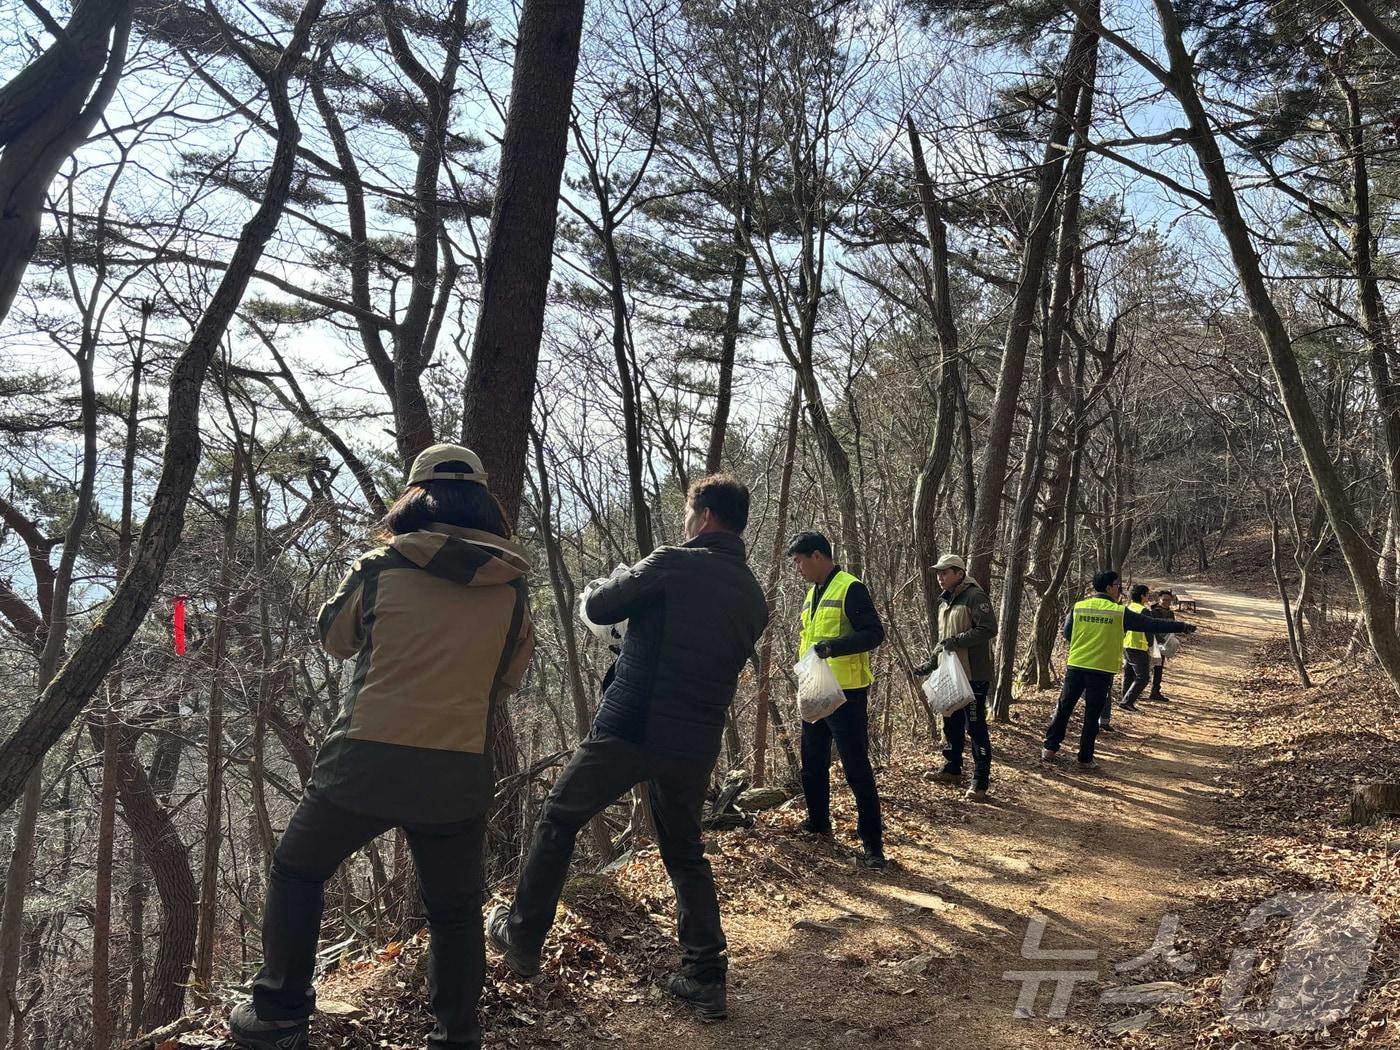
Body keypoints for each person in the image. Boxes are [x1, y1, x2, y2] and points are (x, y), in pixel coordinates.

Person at [230, 444, 535, 1050]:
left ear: (414, 496)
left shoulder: (380, 566)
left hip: (364, 762)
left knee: (297, 871)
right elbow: (505, 680)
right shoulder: (512, 587)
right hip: (457, 767)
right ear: (483, 503)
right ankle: (457, 1034)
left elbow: (336, 637)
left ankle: (281, 1013)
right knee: (454, 909)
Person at [488, 475, 767, 1024]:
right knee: (684, 850)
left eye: (690, 513)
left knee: (559, 817)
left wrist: (603, 589)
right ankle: (706, 974)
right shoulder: (753, 596)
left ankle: (521, 939)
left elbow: (603, 604)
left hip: (631, 726)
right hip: (695, 740)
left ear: (705, 516)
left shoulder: (671, 562)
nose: (686, 523)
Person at [786, 531, 887, 868]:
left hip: (847, 693)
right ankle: (818, 823)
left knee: (856, 767)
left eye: (800, 561)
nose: (798, 568)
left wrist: (833, 648)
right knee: (812, 763)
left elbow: (874, 633)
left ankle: (872, 843)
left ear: (817, 556)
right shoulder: (810, 595)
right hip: (816, 690)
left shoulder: (849, 587)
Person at [1041, 570, 1195, 769]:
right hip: (1101, 669)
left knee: (1064, 708)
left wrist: (1084, 643)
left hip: (1077, 665)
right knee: (1092, 714)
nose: (1120, 590)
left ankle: (1050, 749)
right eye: (1118, 586)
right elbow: (1151, 624)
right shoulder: (1119, 612)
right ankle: (1085, 759)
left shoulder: (1078, 607)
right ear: (1108, 588)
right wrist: (1182, 626)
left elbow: (1067, 633)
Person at [912, 555, 998, 800]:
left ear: (959, 573)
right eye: (938, 573)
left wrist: (957, 641)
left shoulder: (975, 597)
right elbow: (944, 640)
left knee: (975, 727)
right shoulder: (945, 603)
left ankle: (980, 782)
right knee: (950, 722)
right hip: (951, 674)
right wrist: (932, 662)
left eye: (945, 572)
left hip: (974, 675)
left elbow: (989, 628)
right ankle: (952, 769)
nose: (940, 577)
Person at [1100, 583, 1152, 732]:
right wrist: (1150, 644)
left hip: (1125, 645)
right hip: (1138, 646)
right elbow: (1149, 629)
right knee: (1143, 677)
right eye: (1147, 594)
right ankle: (1127, 701)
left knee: (1129, 673)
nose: (1148, 597)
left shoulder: (1126, 608)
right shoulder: (1144, 611)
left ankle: (1125, 698)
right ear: (1142, 596)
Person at [1147, 590, 1178, 701]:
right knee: (1147, 668)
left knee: (1158, 668)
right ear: (1159, 599)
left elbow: (1172, 627)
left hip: (1163, 645)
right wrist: (1160, 640)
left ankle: (1155, 691)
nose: (1166, 602)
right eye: (1164, 600)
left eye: (1169, 600)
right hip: (1152, 643)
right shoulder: (1152, 612)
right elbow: (1150, 628)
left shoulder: (1170, 613)